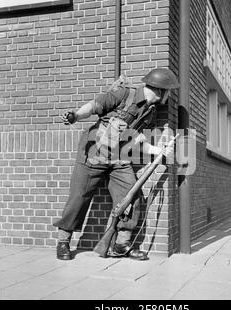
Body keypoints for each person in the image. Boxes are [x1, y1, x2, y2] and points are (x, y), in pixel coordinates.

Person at [53, 68, 179, 261]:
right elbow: (94, 106)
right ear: (160, 90)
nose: (169, 95)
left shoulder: (149, 111)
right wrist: (75, 116)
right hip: (94, 153)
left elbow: (136, 140)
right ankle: (63, 241)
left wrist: (158, 151)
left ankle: (121, 244)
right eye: (168, 91)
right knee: (79, 196)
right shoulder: (124, 94)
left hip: (120, 158)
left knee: (132, 195)